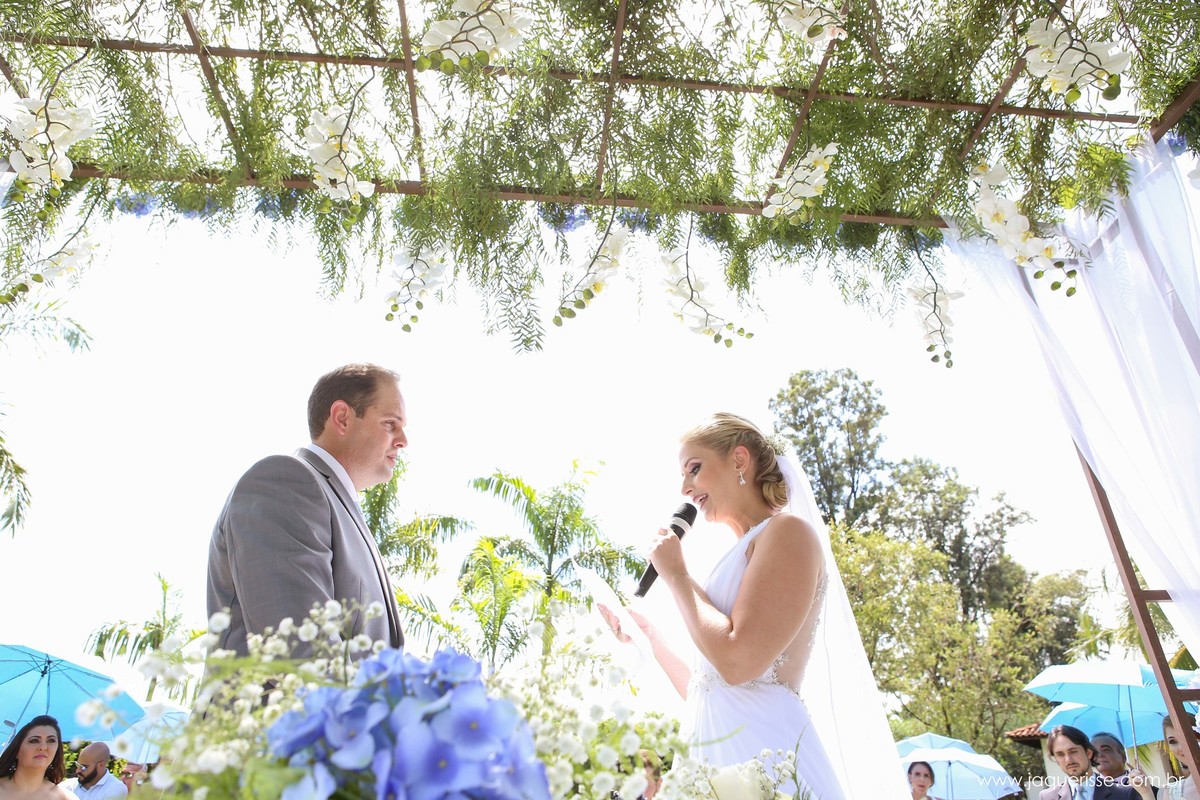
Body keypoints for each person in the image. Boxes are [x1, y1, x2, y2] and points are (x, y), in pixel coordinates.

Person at [601, 413, 906, 798]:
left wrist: (677, 575)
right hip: (708, 764)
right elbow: (706, 690)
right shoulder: (734, 557)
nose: (685, 487)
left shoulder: (788, 533)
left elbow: (738, 662)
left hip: (765, 758)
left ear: (739, 460)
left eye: (694, 468)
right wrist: (650, 635)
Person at [207, 363, 406, 656]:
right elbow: (299, 651)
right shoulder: (284, 481)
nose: (403, 440)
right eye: (390, 423)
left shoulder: (338, 505)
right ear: (342, 418)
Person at [1041, 725, 1139, 800]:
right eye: (1060, 754)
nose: (1068, 760)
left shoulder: (1124, 793)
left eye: (1073, 751)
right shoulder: (1047, 797)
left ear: (1088, 753)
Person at [0, 715, 74, 799]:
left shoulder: (65, 798)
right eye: (34, 741)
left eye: (51, 740)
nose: (43, 747)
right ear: (16, 750)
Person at [1092, 731, 1156, 798]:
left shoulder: (1146, 788)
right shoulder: (1089, 791)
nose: (1099, 755)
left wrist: (1146, 791)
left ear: (1123, 757)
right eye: (1095, 752)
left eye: (1106, 750)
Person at [61, 742, 126, 799]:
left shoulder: (116, 788)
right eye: (78, 765)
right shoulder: (68, 785)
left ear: (101, 765)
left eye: (83, 767)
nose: (78, 771)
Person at [1164, 713, 1200, 800]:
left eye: (1187, 737)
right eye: (1173, 742)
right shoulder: (1171, 793)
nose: (1181, 747)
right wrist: (1146, 792)